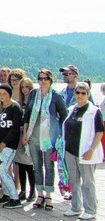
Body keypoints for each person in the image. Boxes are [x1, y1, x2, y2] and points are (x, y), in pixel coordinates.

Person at [23, 69, 67, 209]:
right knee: (36, 166)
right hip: (33, 136)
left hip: (49, 137)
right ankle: (39, 193)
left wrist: (59, 135)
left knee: (48, 166)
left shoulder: (56, 96)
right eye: (40, 78)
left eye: (45, 78)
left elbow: (64, 117)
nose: (43, 81)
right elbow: (27, 115)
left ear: (51, 80)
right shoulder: (33, 94)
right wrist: (25, 134)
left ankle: (48, 195)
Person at [61, 82, 103, 220]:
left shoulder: (94, 111)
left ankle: (90, 210)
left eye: (83, 93)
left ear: (88, 95)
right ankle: (76, 207)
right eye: (77, 92)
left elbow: (99, 132)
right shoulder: (72, 109)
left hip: (86, 153)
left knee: (88, 182)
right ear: (74, 94)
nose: (80, 95)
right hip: (70, 151)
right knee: (73, 181)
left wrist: (91, 149)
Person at [0, 84, 23, 209]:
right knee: (0, 168)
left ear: (9, 93)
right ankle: (7, 194)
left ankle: (15, 197)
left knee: (2, 169)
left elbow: (14, 129)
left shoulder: (15, 107)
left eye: (5, 93)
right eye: (0, 93)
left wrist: (4, 143)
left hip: (9, 145)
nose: (2, 96)